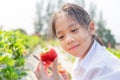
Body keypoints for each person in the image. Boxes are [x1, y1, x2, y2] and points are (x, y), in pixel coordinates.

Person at [34, 3, 120, 80]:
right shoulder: (82, 58)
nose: (68, 40)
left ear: (91, 28)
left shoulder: (104, 68)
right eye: (61, 36)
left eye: (74, 30)